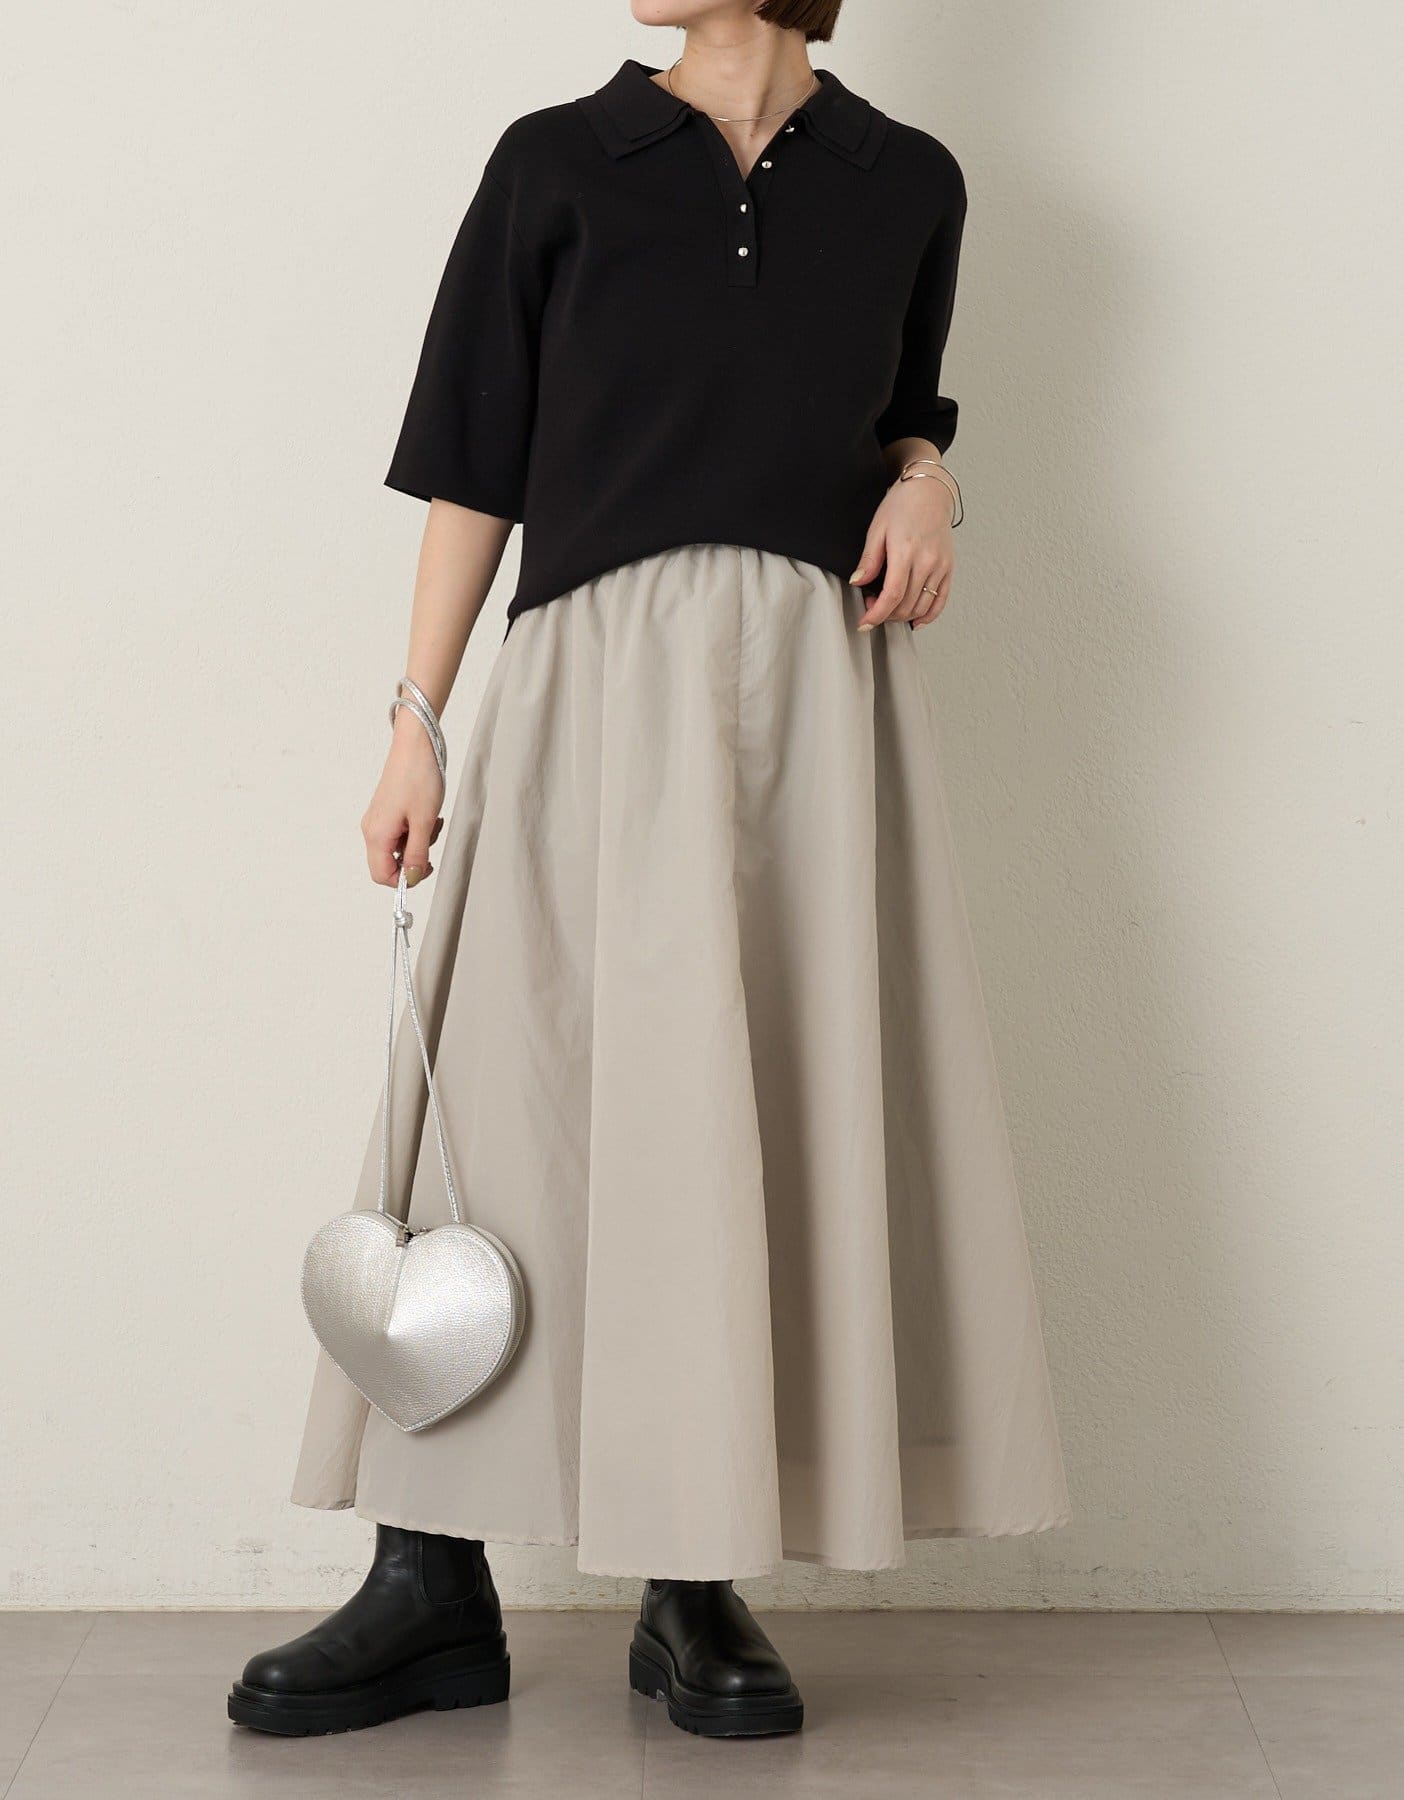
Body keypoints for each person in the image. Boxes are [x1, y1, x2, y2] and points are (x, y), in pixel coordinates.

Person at [229, 0, 1068, 1743]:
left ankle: (695, 1578)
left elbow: (900, 414)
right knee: (506, 1108)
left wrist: (934, 480)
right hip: (591, 688)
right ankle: (427, 1578)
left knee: (739, 1124)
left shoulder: (907, 181)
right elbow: (474, 464)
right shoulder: (556, 164)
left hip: (809, 716)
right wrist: (416, 724)